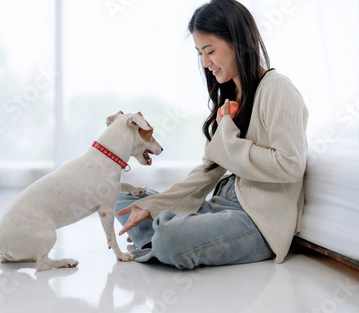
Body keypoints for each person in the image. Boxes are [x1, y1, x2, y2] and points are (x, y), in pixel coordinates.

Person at [115, 0, 308, 270]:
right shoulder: (227, 99)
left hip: (256, 220)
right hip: (222, 203)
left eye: (210, 51)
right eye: (199, 53)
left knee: (172, 235)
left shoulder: (278, 89)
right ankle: (166, 236)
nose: (205, 63)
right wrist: (155, 205)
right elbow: (209, 170)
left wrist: (227, 129)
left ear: (239, 42)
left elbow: (290, 165)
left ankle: (166, 238)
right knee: (124, 201)